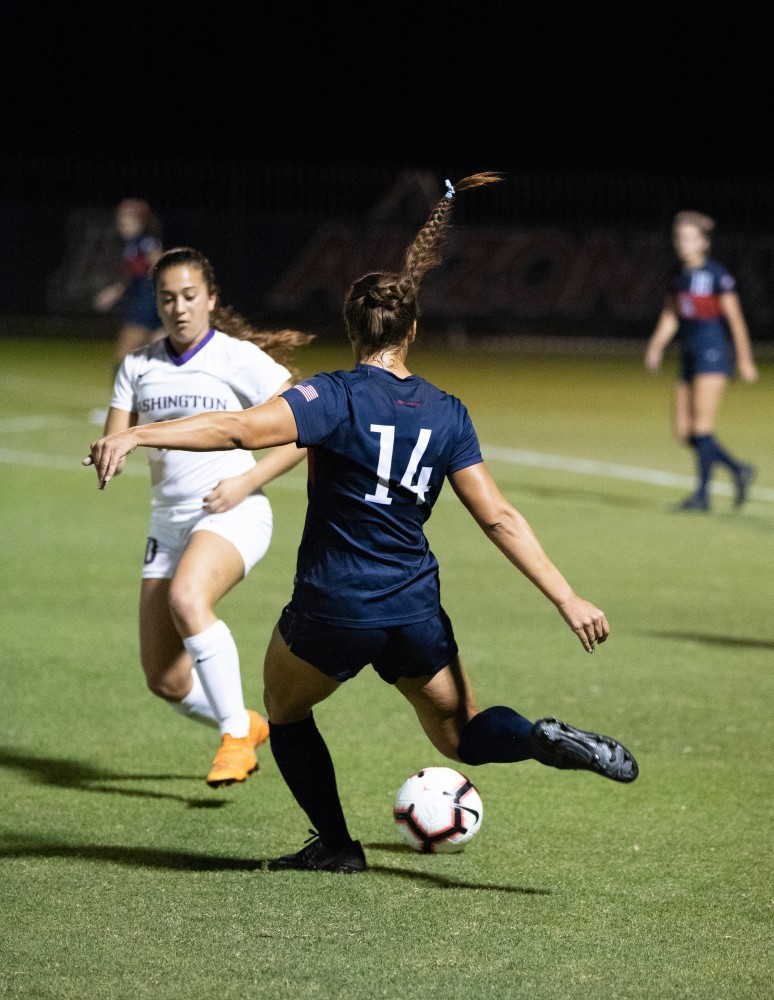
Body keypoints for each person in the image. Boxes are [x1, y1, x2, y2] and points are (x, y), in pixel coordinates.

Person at [85, 173, 638, 873]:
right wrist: (568, 597)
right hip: (413, 607)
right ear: (412, 330)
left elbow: (238, 430)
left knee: (282, 712)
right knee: (462, 734)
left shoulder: (331, 396)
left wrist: (142, 435)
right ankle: (534, 738)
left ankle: (338, 847)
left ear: (353, 330)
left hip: (334, 605)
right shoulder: (448, 411)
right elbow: (498, 517)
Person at [88, 245, 314, 788]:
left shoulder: (236, 358)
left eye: (190, 296)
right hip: (168, 526)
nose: (179, 308)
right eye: (167, 299)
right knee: (164, 678)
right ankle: (247, 725)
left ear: (210, 299)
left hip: (234, 513)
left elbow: (310, 427)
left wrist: (246, 480)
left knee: (189, 599)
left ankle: (235, 735)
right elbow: (118, 434)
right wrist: (108, 455)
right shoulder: (139, 365)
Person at [644, 210, 759, 512]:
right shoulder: (678, 277)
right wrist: (656, 345)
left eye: (689, 238)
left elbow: (735, 320)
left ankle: (702, 497)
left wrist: (745, 360)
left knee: (702, 428)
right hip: (689, 357)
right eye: (678, 238)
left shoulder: (717, 275)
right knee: (684, 433)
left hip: (713, 355)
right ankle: (738, 470)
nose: (681, 244)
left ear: (703, 242)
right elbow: (671, 315)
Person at [90, 199, 165, 425]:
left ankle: (121, 412)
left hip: (149, 305)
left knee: (126, 359)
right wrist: (113, 292)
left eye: (126, 218)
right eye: (120, 218)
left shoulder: (147, 242)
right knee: (147, 361)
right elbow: (134, 276)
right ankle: (140, 410)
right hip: (145, 303)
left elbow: (160, 268)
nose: (121, 223)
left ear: (140, 221)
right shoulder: (131, 244)